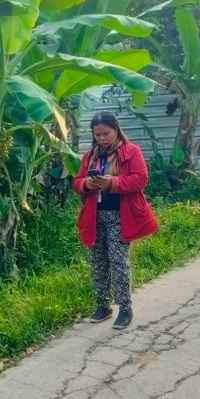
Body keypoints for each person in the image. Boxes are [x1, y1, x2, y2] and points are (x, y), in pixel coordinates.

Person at [73, 111, 158, 330]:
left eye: (106, 133)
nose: (102, 138)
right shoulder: (90, 156)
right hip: (94, 216)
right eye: (98, 134)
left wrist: (112, 182)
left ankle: (124, 308)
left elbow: (140, 179)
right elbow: (77, 182)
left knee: (118, 263)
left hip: (121, 215)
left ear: (116, 130)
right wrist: (86, 185)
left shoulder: (131, 152)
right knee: (98, 262)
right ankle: (103, 306)